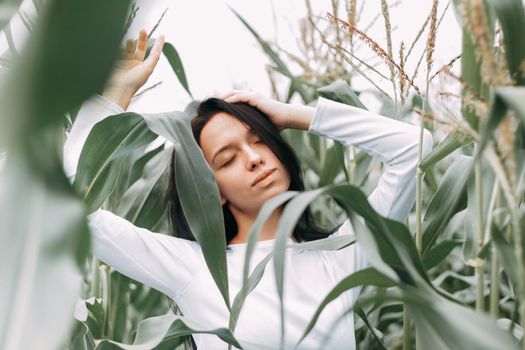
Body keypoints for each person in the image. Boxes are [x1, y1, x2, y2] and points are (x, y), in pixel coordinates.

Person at [63, 30, 433, 349]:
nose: (254, 159)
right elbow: (72, 205)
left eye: (259, 140)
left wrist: (292, 115)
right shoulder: (195, 268)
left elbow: (412, 148)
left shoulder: (340, 256)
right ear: (212, 192)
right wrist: (111, 99)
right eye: (227, 159)